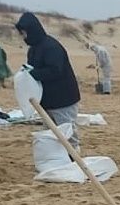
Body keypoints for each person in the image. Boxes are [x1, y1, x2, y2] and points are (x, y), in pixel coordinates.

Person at [15, 12, 82, 150]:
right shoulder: (33, 49)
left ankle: (73, 161)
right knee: (51, 135)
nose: (23, 37)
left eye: (24, 33)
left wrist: (34, 74)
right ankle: (58, 162)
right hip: (47, 101)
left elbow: (55, 70)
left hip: (64, 100)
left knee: (67, 134)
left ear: (31, 31)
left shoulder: (51, 47)